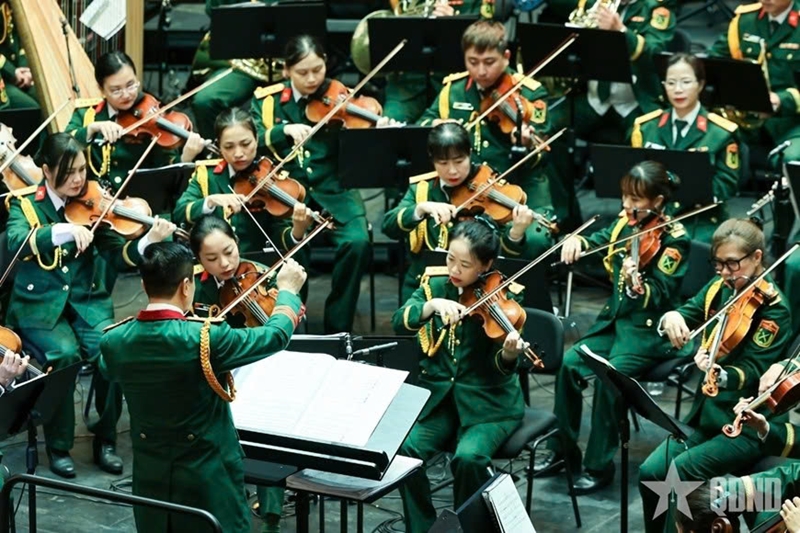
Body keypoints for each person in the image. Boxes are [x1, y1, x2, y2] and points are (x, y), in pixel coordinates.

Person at [99, 241, 306, 533]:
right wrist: (288, 291)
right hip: (208, 477)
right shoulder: (205, 338)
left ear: (144, 286)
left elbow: (109, 370)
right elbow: (274, 336)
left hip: (150, 477)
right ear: (186, 286)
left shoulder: (113, 340)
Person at [5, 132, 176, 478]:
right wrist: (63, 231)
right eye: (68, 172)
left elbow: (119, 255)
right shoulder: (25, 203)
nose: (78, 179)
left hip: (86, 301)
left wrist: (148, 240)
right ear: (46, 170)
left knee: (112, 348)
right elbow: (16, 240)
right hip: (39, 306)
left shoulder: (92, 202)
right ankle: (58, 445)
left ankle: (106, 438)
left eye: (82, 169)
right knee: (64, 355)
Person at [537, 161, 689, 494]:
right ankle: (561, 450)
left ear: (658, 201)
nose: (626, 205)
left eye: (635, 199)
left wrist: (637, 284)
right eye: (624, 197)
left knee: (610, 379)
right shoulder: (626, 224)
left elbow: (660, 292)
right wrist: (577, 241)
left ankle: (598, 466)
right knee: (569, 365)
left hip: (648, 332)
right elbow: (601, 240)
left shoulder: (675, 239)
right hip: (616, 321)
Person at [639, 218, 792, 533]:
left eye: (733, 264)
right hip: (707, 417)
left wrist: (720, 375)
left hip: (746, 425)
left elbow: (754, 370)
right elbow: (689, 310)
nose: (724, 272)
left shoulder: (775, 310)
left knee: (680, 473)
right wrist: (672, 317)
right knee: (651, 472)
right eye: (718, 264)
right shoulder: (721, 287)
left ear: (757, 257)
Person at [393, 218, 526, 533]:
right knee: (407, 450)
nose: (454, 269)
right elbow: (400, 321)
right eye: (451, 259)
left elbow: (503, 365)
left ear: (485, 265)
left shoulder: (505, 296)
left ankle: (467, 528)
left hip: (489, 403)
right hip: (442, 400)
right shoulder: (435, 285)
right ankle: (423, 527)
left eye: (465, 265)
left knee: (469, 458)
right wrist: (430, 306)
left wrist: (510, 354)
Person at [251, 35, 375, 334]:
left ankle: (338, 328)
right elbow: (248, 142)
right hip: (287, 195)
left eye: (318, 70)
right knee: (292, 248)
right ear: (286, 71)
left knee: (357, 242)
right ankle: (293, 324)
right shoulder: (267, 101)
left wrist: (371, 128)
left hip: (336, 192)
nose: (311, 79)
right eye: (302, 72)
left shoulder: (339, 95)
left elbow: (362, 151)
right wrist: (281, 131)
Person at [188, 215, 292, 532]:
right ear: (198, 259)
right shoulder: (195, 287)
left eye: (229, 252)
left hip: (263, 362)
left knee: (272, 421)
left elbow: (288, 310)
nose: (224, 263)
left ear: (237, 242)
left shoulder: (259, 274)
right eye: (211, 258)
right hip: (219, 371)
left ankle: (271, 512)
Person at [383, 121, 554, 301]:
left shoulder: (489, 185)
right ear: (432, 160)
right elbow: (389, 226)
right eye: (443, 163)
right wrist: (419, 209)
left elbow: (503, 257)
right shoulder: (422, 189)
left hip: (477, 289)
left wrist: (515, 234)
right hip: (426, 286)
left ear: (469, 154)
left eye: (459, 161)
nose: (452, 171)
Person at [417, 19, 557, 214]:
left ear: (506, 57)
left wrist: (527, 145)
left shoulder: (530, 93)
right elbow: (422, 124)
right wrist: (438, 124)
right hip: (466, 188)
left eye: (489, 62)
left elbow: (544, 153)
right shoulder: (453, 90)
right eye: (473, 62)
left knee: (536, 231)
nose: (481, 71)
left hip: (517, 185)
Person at [173, 107, 314, 264]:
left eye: (245, 144)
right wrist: (210, 201)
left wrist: (298, 231)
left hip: (257, 267)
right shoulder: (206, 175)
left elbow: (280, 239)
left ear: (257, 139)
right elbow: (180, 212)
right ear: (219, 146)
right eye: (229, 146)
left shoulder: (273, 176)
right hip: (215, 267)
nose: (238, 153)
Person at [631, 54, 740, 241]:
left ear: (700, 84)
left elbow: (726, 184)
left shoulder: (720, 132)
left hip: (699, 218)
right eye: (671, 83)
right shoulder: (646, 127)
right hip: (654, 215)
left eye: (686, 82)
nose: (678, 89)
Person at [66, 51, 206, 193]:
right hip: (95, 198)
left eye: (131, 85)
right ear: (101, 89)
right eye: (116, 90)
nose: (126, 94)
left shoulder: (152, 116)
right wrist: (93, 128)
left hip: (140, 199)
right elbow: (64, 145)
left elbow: (167, 171)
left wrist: (185, 157)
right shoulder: (87, 114)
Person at [381, 0, 511, 124]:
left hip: (452, 75)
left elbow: (489, 35)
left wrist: (453, 23)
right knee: (388, 124)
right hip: (409, 80)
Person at [565, 0, 675, 144]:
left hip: (634, 103)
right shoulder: (595, 4)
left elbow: (653, 55)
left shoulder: (656, 9)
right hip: (593, 99)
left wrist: (621, 31)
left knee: (644, 141)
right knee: (547, 127)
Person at [708, 0, 800, 165]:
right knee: (707, 147)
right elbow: (714, 63)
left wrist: (781, 100)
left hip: (792, 123)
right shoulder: (745, 20)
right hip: (746, 119)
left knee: (789, 159)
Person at [0, 0, 39, 111]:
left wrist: (25, 70)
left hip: (15, 74)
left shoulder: (10, 4)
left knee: (42, 97)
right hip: (4, 78)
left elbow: (18, 39)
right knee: (33, 109)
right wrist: (12, 72)